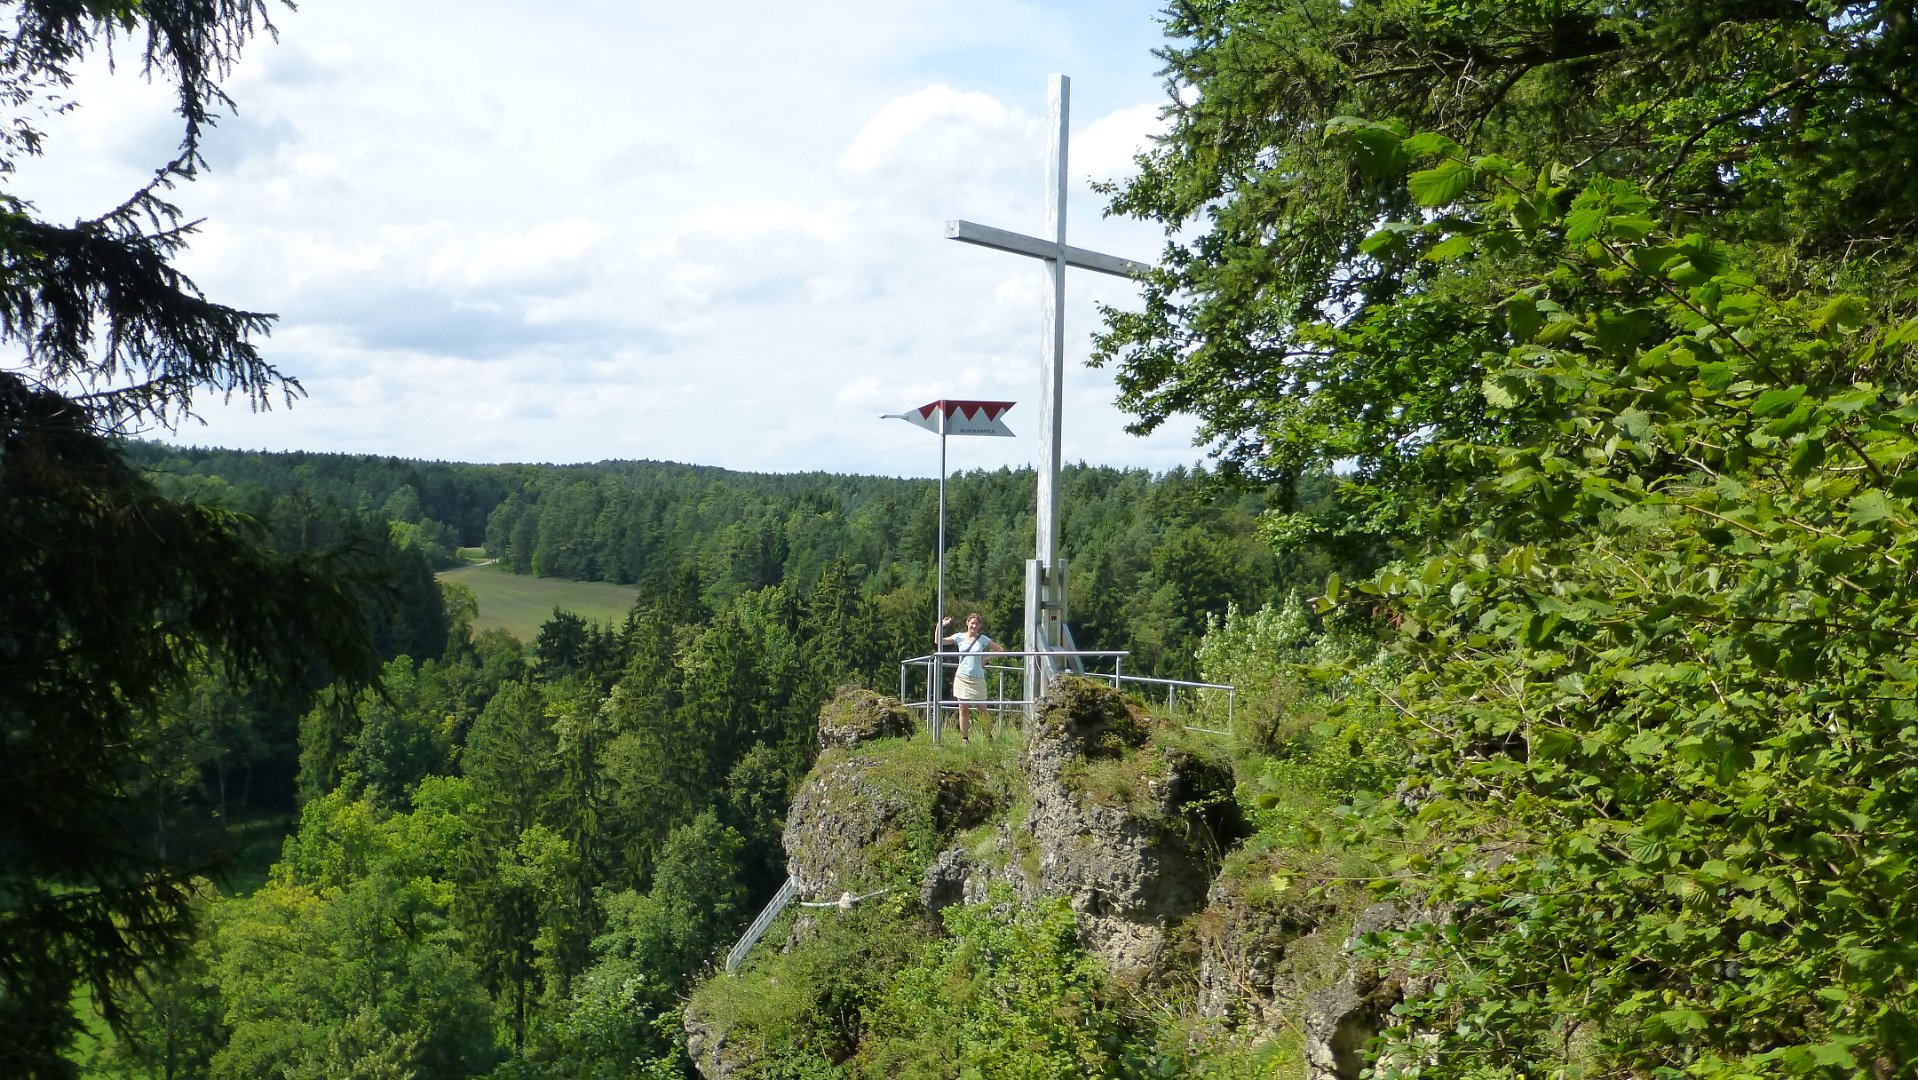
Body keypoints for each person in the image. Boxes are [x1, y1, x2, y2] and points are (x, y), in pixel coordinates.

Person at [940, 612, 1005, 743]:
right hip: (962, 677)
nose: (974, 626)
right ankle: (965, 739)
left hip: (977, 677)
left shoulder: (983, 639)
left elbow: (1000, 650)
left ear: (979, 625)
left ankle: (989, 737)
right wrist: (940, 626)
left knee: (982, 708)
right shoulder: (959, 637)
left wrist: (985, 659)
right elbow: (939, 641)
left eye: (976, 624)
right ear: (967, 623)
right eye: (972, 623)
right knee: (963, 708)